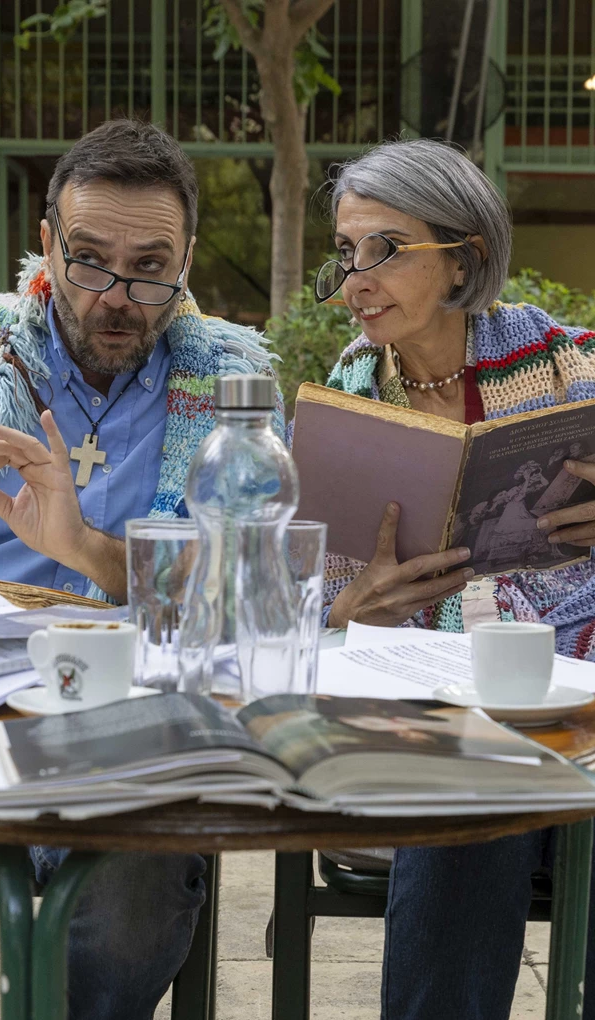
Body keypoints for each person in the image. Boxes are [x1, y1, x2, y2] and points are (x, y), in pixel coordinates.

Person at [0, 117, 281, 1020]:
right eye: (87, 259)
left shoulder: (232, 388)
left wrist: (78, 547)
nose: (115, 295)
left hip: (136, 726)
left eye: (150, 266)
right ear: (44, 243)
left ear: (187, 260)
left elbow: (236, 594)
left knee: (136, 888)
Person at [314, 137, 595, 1020]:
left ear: (466, 255)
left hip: (577, 712)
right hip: (437, 725)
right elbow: (316, 603)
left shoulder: (571, 366)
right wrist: (352, 609)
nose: (356, 279)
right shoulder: (349, 392)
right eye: (347, 253)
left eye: (384, 250)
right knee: (470, 802)